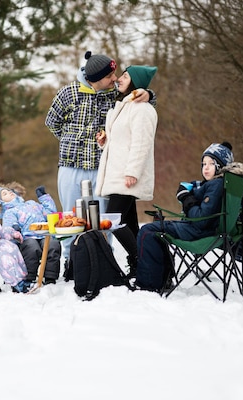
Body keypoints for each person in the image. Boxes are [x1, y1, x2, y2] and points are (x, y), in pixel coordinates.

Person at [45, 50, 155, 261]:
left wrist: (149, 94)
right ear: (94, 79)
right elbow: (52, 122)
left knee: (104, 222)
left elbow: (144, 105)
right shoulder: (67, 93)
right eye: (109, 76)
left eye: (115, 74)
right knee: (71, 219)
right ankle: (71, 262)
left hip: (100, 168)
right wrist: (71, 141)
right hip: (70, 166)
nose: (114, 79)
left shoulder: (115, 93)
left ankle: (105, 263)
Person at [134, 142, 243, 291]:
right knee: (157, 231)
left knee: (147, 231)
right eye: (203, 163)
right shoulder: (224, 183)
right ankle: (162, 278)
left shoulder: (215, 185)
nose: (205, 167)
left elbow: (201, 219)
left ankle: (149, 284)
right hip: (214, 231)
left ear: (221, 166)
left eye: (211, 163)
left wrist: (186, 199)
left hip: (200, 232)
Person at [95, 65, 158, 277]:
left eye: (124, 76)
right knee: (129, 224)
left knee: (113, 220)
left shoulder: (143, 109)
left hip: (126, 175)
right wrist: (105, 142)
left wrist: (133, 171)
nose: (119, 79)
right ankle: (140, 266)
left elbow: (142, 143)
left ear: (135, 81)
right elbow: (123, 141)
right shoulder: (124, 105)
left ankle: (143, 261)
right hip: (117, 174)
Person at [0, 183, 62, 285]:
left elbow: (50, 214)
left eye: (8, 190)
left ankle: (50, 277)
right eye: (4, 194)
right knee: (32, 247)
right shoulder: (9, 212)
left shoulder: (31, 203)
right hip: (25, 238)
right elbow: (7, 228)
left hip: (44, 234)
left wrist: (44, 198)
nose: (9, 192)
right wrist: (14, 230)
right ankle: (29, 277)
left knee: (53, 244)